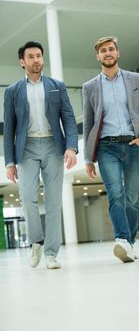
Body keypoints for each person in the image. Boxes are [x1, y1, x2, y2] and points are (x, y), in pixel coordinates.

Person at [3, 41, 78, 268]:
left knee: (54, 202)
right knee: (27, 198)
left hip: (53, 146)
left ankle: (51, 254)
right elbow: (9, 129)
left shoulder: (57, 86)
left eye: (39, 56)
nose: (36, 60)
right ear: (22, 62)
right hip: (26, 148)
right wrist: (9, 162)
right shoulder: (13, 90)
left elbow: (68, 118)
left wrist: (71, 147)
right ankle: (37, 240)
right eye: (31, 57)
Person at [82, 36, 139, 262]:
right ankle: (122, 239)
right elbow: (88, 122)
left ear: (118, 53)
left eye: (111, 49)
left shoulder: (136, 79)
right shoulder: (90, 87)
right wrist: (87, 157)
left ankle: (129, 245)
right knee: (115, 194)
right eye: (103, 51)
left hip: (133, 145)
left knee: (132, 199)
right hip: (107, 147)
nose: (108, 53)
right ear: (98, 56)